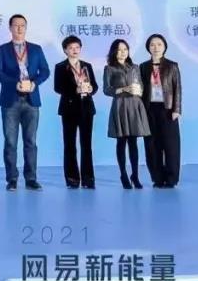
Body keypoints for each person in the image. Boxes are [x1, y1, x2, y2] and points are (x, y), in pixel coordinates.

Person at [0, 14, 50, 191]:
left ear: (26, 27)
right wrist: (13, 83)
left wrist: (34, 83)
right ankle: (12, 179)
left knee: (31, 141)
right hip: (11, 101)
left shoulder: (36, 49)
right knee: (10, 142)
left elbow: (45, 71)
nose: (19, 28)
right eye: (16, 25)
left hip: (31, 101)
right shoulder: (2, 50)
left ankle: (31, 179)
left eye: (22, 25)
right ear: (10, 28)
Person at [52, 36, 99, 189]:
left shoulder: (87, 65)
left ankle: (88, 179)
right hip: (69, 109)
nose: (75, 50)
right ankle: (72, 179)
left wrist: (91, 89)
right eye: (71, 48)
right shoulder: (60, 67)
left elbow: (95, 86)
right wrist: (75, 90)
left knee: (87, 145)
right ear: (65, 50)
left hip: (86, 108)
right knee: (70, 145)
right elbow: (58, 87)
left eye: (77, 47)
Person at [103, 39, 150, 190]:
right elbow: (106, 89)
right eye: (119, 49)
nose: (123, 52)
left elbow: (141, 86)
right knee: (121, 141)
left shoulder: (135, 67)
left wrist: (139, 90)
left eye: (125, 49)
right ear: (114, 52)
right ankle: (123, 174)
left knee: (133, 142)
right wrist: (124, 89)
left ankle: (135, 175)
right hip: (120, 105)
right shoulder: (109, 68)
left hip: (135, 105)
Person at [141, 33, 182, 188]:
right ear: (148, 48)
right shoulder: (143, 67)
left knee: (171, 145)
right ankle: (157, 178)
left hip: (168, 109)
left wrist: (177, 109)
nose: (156, 47)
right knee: (152, 145)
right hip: (149, 109)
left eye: (159, 44)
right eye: (152, 44)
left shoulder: (172, 66)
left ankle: (171, 178)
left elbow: (178, 89)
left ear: (164, 47)